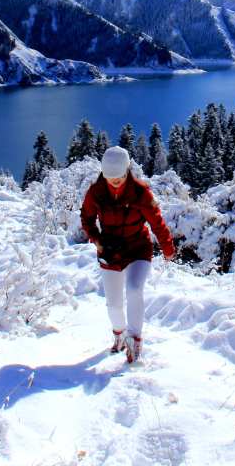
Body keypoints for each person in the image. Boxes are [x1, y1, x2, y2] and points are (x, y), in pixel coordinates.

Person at [80, 146, 175, 363]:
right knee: (113, 304)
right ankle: (119, 335)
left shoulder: (140, 193)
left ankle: (135, 342)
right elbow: (86, 218)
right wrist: (97, 240)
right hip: (110, 251)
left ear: (127, 172)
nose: (114, 181)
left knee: (134, 289)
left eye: (120, 176)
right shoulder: (96, 192)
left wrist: (167, 247)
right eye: (109, 176)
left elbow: (156, 221)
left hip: (138, 247)